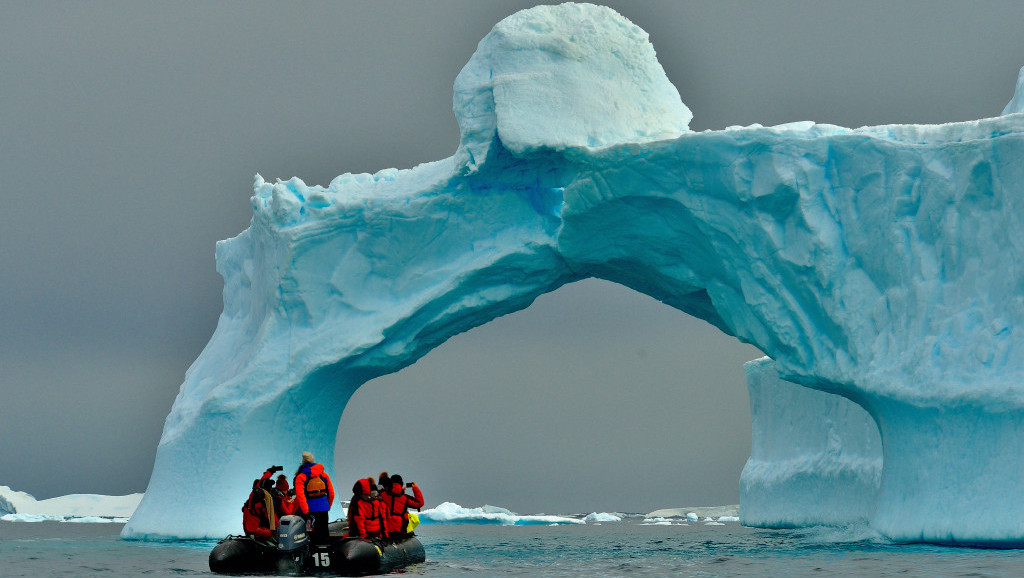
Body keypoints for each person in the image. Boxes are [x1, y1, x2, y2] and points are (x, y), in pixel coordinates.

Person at [293, 452, 335, 545]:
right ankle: (325, 551)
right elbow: (331, 493)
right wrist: (327, 506)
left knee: (309, 534)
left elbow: (300, 496)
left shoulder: (301, 476)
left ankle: (310, 554)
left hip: (309, 510)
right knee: (323, 532)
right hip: (323, 508)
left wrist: (305, 511)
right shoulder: (324, 475)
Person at [242, 465, 284, 542]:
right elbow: (274, 520)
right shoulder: (266, 502)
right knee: (273, 533)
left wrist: (271, 471)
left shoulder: (253, 494)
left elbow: (262, 479)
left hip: (247, 528)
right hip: (255, 530)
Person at [381, 474, 424, 539]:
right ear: (401, 484)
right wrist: (415, 488)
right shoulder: (405, 498)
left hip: (384, 531)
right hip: (400, 532)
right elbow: (419, 503)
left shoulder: (382, 495)